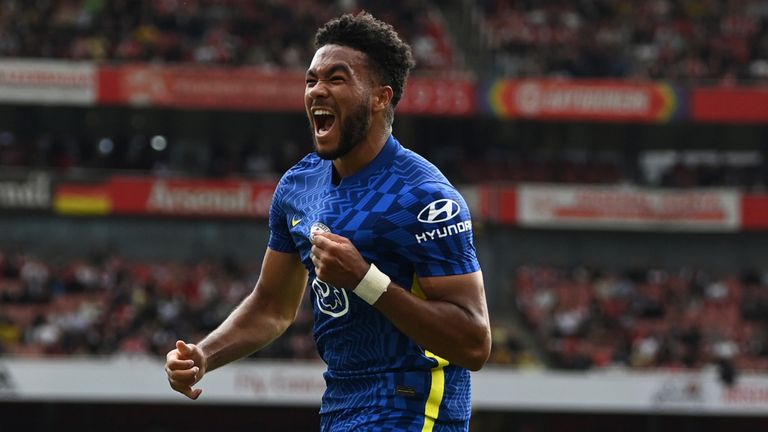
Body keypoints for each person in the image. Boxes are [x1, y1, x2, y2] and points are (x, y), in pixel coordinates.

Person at [165, 11, 491, 432]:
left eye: (336, 79)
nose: (317, 90)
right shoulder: (299, 187)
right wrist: (205, 354)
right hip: (341, 408)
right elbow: (271, 307)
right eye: (311, 80)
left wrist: (365, 280)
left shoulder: (426, 198)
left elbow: (474, 344)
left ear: (379, 97)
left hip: (412, 412)